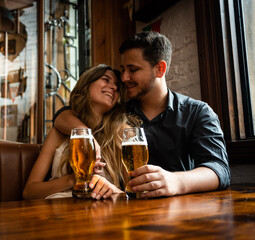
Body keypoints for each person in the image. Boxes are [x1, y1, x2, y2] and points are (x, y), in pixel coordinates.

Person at [53, 31, 231, 198]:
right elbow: (63, 114)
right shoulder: (118, 112)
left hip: (182, 210)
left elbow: (219, 169)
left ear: (159, 69)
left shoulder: (197, 112)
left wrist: (176, 181)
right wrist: (84, 132)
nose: (123, 78)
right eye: (123, 69)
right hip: (127, 211)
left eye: (133, 69)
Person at [22, 64, 128, 200]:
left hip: (103, 212)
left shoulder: (121, 133)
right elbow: (29, 192)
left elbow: (132, 192)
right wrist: (73, 179)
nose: (113, 87)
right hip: (59, 211)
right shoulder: (59, 133)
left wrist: (113, 190)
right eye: (106, 80)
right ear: (86, 84)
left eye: (117, 87)